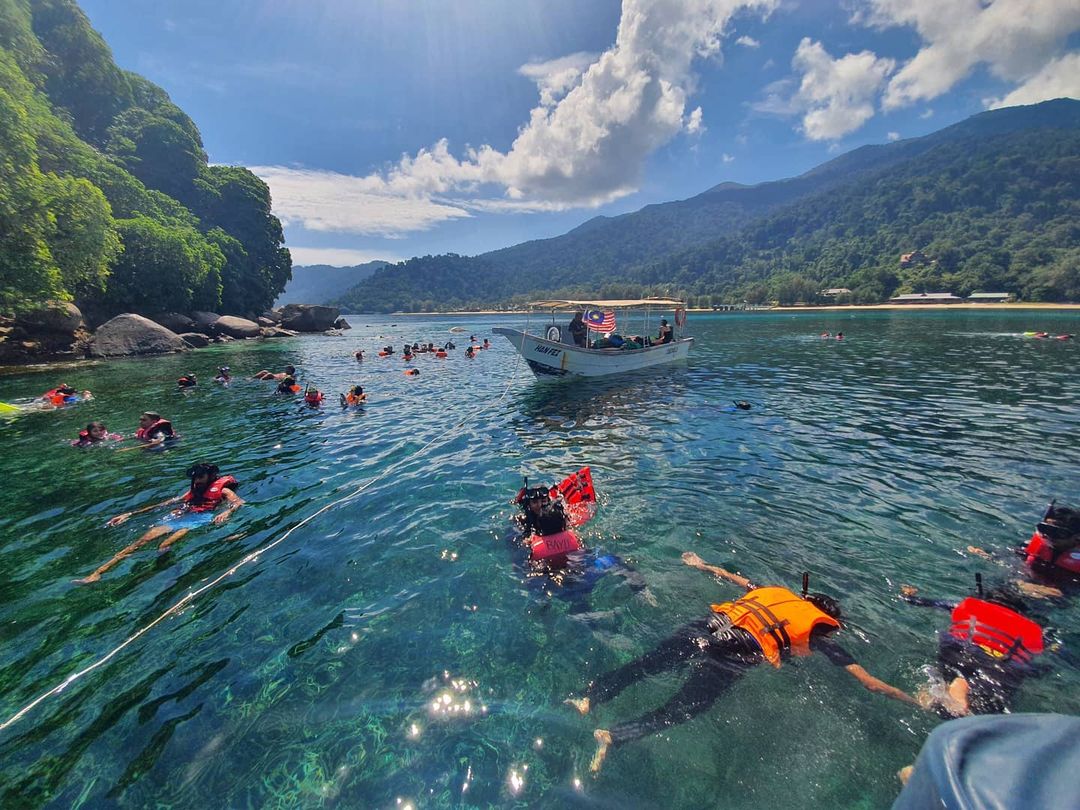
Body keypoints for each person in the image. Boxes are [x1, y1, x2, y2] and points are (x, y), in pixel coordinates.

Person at [570, 551, 921, 773]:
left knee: (650, 662)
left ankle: (589, 697)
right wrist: (914, 700)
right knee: (686, 706)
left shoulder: (776, 593)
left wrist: (700, 564)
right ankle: (615, 736)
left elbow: (734, 578)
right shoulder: (816, 633)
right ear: (829, 624)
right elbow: (869, 682)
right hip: (737, 650)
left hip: (708, 625)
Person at [899, 577, 1046, 716]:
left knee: (954, 673)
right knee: (994, 699)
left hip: (962, 649)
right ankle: (963, 693)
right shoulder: (1034, 629)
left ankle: (953, 688)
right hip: (1006, 668)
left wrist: (909, 595)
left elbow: (928, 602)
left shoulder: (971, 605)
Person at [74, 463, 242, 583]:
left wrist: (227, 511)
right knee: (140, 542)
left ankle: (162, 572)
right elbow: (166, 504)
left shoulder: (223, 489)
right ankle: (97, 573)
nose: (197, 480)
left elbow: (239, 502)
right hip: (183, 516)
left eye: (201, 477)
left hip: (200, 519)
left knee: (164, 545)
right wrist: (130, 514)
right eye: (195, 477)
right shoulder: (192, 492)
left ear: (210, 476)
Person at [966, 501, 1080, 598]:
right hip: (1021, 582)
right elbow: (1013, 555)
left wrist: (1051, 591)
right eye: (1044, 529)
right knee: (990, 590)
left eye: (1056, 533)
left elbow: (1068, 590)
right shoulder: (1034, 545)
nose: (1046, 536)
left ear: (1077, 538)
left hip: (1049, 594)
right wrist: (989, 555)